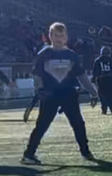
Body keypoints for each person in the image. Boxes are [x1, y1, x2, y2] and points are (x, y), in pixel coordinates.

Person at [21, 22, 100, 165]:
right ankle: (29, 154)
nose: (59, 38)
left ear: (66, 37)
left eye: (62, 35)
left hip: (68, 95)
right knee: (42, 125)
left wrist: (93, 92)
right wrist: (40, 90)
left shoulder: (71, 55)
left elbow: (81, 76)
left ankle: (85, 151)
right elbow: (37, 75)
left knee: (78, 124)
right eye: (56, 35)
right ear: (50, 36)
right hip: (49, 95)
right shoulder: (44, 54)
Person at [92, 46, 112, 115]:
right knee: (110, 95)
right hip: (109, 80)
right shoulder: (110, 60)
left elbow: (95, 71)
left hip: (101, 80)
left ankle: (104, 109)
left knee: (102, 95)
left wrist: (95, 78)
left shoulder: (97, 60)